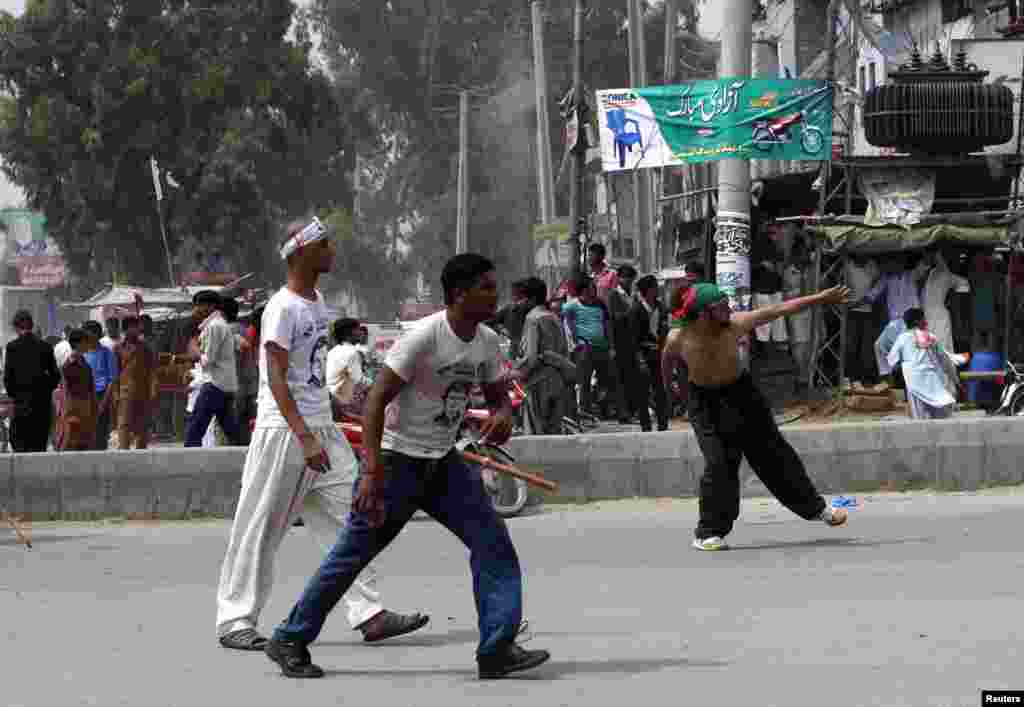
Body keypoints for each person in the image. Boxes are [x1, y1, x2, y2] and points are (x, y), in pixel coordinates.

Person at [263, 253, 549, 680]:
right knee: (352, 554)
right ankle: (290, 636)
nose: (494, 294)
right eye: (485, 287)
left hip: (444, 464)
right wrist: (372, 473)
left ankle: (497, 648)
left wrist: (502, 413)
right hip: (398, 464)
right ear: (457, 294)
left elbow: (497, 395)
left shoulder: (486, 341)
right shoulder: (423, 339)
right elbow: (376, 400)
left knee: (492, 542)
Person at [216, 217, 427, 653]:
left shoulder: (317, 301)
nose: (332, 249)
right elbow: (275, 376)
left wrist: (337, 415)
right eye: (324, 243)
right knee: (261, 526)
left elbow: (309, 373)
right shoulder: (282, 307)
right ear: (301, 252)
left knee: (353, 516)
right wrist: (304, 436)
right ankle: (235, 618)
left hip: (322, 428)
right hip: (285, 433)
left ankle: (368, 612)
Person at [661, 283, 852, 552]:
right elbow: (667, 363)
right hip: (705, 403)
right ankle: (708, 532)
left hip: (742, 394)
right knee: (719, 464)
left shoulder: (736, 324)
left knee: (774, 454)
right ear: (705, 313)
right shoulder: (678, 338)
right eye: (721, 306)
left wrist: (822, 297)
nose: (729, 308)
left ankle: (817, 509)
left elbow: (779, 309)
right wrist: (672, 391)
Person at [511, 276, 571, 435]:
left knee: (536, 434)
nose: (518, 303)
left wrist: (516, 372)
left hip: (538, 382)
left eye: (520, 298)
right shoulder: (555, 318)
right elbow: (564, 350)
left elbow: (530, 357)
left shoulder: (532, 319)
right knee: (554, 434)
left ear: (530, 299)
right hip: (557, 380)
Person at [886, 307, 968, 420]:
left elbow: (891, 361)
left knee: (919, 419)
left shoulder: (901, 338)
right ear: (917, 321)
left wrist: (904, 366)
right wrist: (956, 381)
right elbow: (945, 361)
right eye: (923, 318)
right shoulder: (930, 336)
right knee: (942, 412)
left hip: (913, 381)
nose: (926, 321)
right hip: (929, 380)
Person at [562, 274, 624, 421]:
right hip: (584, 349)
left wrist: (611, 345)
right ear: (583, 290)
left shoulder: (600, 304)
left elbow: (607, 325)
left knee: (612, 380)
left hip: (602, 347)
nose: (594, 290)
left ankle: (620, 411)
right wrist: (574, 344)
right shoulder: (572, 306)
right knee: (584, 383)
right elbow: (566, 324)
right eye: (591, 287)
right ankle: (586, 413)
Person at [185, 291, 241, 446]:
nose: (194, 310)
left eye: (197, 305)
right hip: (224, 384)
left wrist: (196, 351)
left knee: (194, 429)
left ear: (208, 306)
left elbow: (209, 360)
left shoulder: (214, 326)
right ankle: (246, 457)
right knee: (232, 431)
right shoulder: (217, 325)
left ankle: (186, 463)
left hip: (215, 384)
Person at [3, 310, 60, 452]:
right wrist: (44, 389)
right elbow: (55, 376)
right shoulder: (45, 347)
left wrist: (16, 395)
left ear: (16, 327)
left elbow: (8, 379)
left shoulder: (12, 348)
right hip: (41, 407)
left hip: (21, 407)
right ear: (32, 325)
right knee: (38, 447)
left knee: (20, 447)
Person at [629, 275, 669, 432]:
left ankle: (663, 423)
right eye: (654, 287)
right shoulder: (637, 310)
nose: (657, 289)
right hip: (644, 354)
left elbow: (665, 327)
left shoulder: (661, 307)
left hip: (659, 353)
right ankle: (645, 425)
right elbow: (633, 338)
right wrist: (640, 359)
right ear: (647, 291)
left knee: (660, 389)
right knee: (643, 391)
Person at [113, 316, 159, 450]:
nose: (139, 329)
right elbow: (115, 373)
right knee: (124, 424)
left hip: (143, 391)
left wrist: (153, 389)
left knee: (142, 425)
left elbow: (152, 371)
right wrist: (116, 393)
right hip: (125, 391)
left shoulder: (146, 348)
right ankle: (123, 452)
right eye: (136, 326)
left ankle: (141, 453)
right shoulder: (117, 348)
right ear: (127, 329)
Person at [843, 254, 881, 385]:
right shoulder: (848, 265)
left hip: (868, 312)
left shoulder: (872, 265)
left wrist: (868, 299)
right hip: (852, 312)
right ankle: (850, 378)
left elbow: (877, 285)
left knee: (866, 348)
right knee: (851, 347)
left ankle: (864, 379)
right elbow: (842, 287)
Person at [58, 329, 99, 451]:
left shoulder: (84, 362)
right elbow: (66, 391)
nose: (88, 345)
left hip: (85, 410)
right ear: (78, 344)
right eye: (86, 342)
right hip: (74, 410)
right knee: (71, 443)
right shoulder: (70, 364)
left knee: (84, 444)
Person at [607, 264, 638, 423]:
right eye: (625, 278)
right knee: (620, 379)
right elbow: (613, 319)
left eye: (630, 279)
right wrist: (631, 311)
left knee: (631, 378)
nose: (628, 281)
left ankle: (631, 411)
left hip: (632, 343)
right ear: (619, 278)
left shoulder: (632, 295)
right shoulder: (614, 295)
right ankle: (623, 413)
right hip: (619, 343)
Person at [82, 320, 118, 450]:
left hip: (101, 395)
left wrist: (103, 402)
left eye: (89, 334)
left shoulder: (107, 353)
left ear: (97, 335)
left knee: (100, 434)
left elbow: (112, 381)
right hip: (84, 397)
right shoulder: (81, 353)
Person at [326, 317, 372, 418]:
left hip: (334, 399)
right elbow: (358, 380)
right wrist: (376, 385)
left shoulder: (332, 351)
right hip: (348, 403)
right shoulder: (352, 352)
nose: (361, 333)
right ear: (349, 333)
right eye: (358, 329)